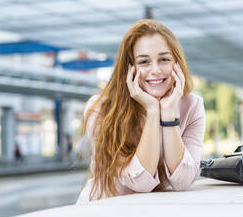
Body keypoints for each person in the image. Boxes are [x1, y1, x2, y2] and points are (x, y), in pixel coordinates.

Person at [76, 19, 205, 203]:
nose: (155, 70)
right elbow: (141, 183)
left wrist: (167, 112)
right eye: (144, 61)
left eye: (164, 59)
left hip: (147, 216)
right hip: (100, 215)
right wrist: (153, 111)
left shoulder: (192, 107)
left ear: (177, 63)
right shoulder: (101, 109)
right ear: (130, 67)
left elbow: (183, 181)